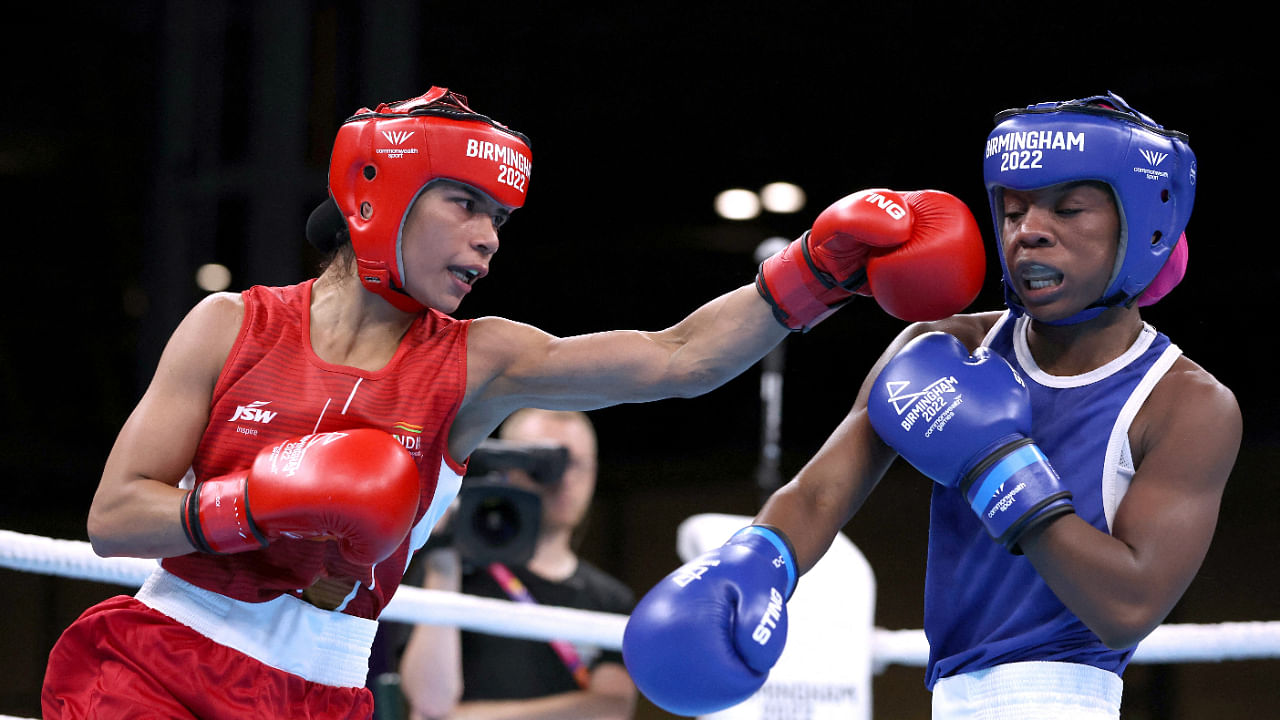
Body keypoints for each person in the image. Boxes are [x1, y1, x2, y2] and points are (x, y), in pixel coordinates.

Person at [39, 86, 987, 719]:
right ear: (384, 193)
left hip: (321, 689)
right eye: (466, 206)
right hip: (157, 661)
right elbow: (115, 517)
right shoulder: (228, 326)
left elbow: (678, 358)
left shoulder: (481, 363)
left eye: (500, 220)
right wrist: (254, 503)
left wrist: (817, 273)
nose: (490, 240)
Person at [622, 91, 1242, 719]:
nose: (1028, 231)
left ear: (1143, 222)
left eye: (1068, 207)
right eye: (1013, 208)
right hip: (946, 700)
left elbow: (1127, 609)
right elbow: (817, 494)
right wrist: (756, 560)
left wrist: (995, 465)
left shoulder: (1185, 403)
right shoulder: (944, 346)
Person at [398, 408, 636, 719]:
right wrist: (443, 569)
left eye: (575, 464)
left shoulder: (610, 599)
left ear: (593, 472)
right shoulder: (450, 572)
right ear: (507, 466)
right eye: (544, 463)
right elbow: (430, 705)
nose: (563, 478)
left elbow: (611, 709)